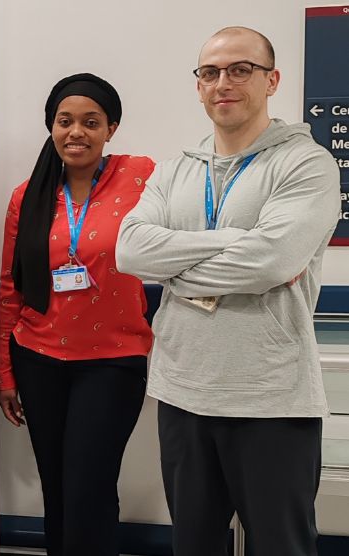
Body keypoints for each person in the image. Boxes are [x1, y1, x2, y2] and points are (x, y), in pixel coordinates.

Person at [116, 27, 341, 556]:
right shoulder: (174, 172)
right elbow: (130, 251)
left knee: (281, 546)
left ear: (272, 80)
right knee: (193, 545)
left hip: (271, 399)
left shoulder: (305, 163)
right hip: (182, 391)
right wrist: (235, 242)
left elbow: (273, 260)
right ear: (198, 87)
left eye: (241, 69)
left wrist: (175, 268)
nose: (224, 82)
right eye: (211, 72)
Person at [0, 73, 154, 556]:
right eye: (65, 122)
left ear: (112, 128)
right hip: (38, 358)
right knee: (58, 487)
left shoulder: (142, 175)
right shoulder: (29, 194)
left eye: (91, 122)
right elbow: (12, 287)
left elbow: (196, 213)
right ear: (51, 127)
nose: (76, 132)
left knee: (89, 484)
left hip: (113, 360)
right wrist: (5, 372)